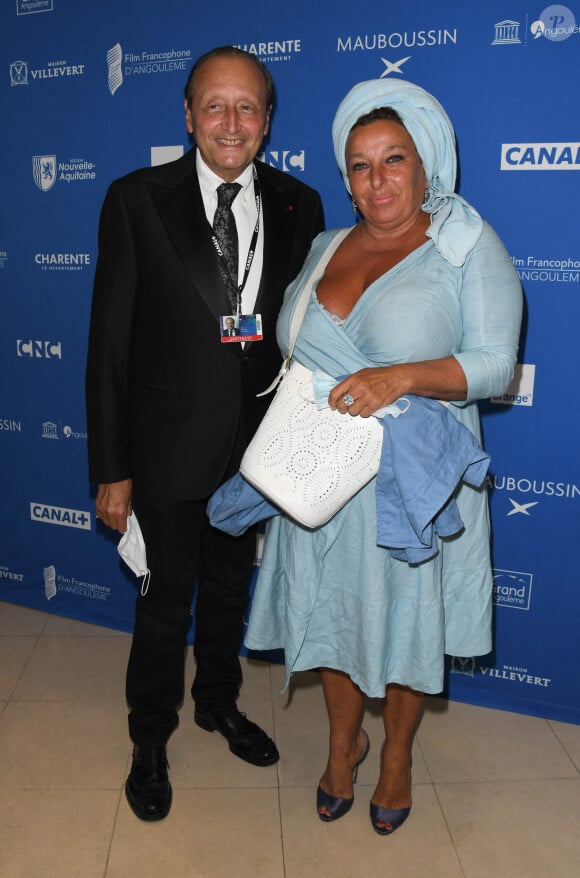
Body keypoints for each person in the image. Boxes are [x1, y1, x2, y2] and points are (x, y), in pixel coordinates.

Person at [243, 79, 522, 835]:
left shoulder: (466, 245)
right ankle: (343, 743)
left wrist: (398, 377)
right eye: (360, 165)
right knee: (333, 615)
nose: (377, 179)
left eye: (394, 158)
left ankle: (395, 754)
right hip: (323, 476)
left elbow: (496, 365)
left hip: (410, 482)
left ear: (427, 162)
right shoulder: (329, 243)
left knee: (406, 624)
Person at [85, 45, 324, 822]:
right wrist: (112, 468)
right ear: (187, 117)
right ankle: (149, 738)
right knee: (163, 603)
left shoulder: (300, 204)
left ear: (267, 121)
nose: (231, 122)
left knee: (229, 593)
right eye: (214, 106)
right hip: (163, 450)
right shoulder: (135, 199)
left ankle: (218, 704)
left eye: (247, 107)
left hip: (255, 454)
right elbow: (109, 343)